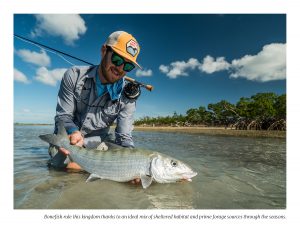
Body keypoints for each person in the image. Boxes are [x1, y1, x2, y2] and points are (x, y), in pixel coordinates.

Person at [48, 31, 142, 184]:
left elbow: (124, 137)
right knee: (60, 168)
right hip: (69, 140)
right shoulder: (73, 75)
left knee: (123, 172)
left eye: (128, 65)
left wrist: (132, 163)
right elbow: (63, 116)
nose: (120, 68)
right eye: (117, 59)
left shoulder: (128, 97)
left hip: (99, 143)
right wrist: (73, 132)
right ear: (104, 51)